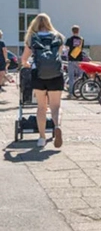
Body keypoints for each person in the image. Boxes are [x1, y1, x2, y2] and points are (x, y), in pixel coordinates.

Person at [20, 13, 64, 148]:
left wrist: (27, 64)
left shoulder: (33, 38)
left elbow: (24, 59)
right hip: (56, 75)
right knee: (55, 106)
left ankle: (41, 137)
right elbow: (59, 55)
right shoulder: (58, 36)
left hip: (38, 74)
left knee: (41, 107)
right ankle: (56, 126)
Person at [65, 25, 84, 99]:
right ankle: (79, 92)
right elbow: (81, 48)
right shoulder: (81, 39)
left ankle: (71, 93)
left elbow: (66, 48)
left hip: (71, 59)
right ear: (78, 31)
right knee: (80, 76)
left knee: (71, 76)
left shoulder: (69, 39)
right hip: (79, 60)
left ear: (72, 31)